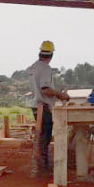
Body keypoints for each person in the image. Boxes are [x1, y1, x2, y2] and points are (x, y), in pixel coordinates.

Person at [27, 40, 69, 175]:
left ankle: (41, 167)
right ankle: (43, 169)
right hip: (43, 107)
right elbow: (45, 89)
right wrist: (60, 95)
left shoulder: (32, 67)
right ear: (51, 55)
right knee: (45, 138)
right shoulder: (45, 69)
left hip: (36, 106)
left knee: (41, 138)